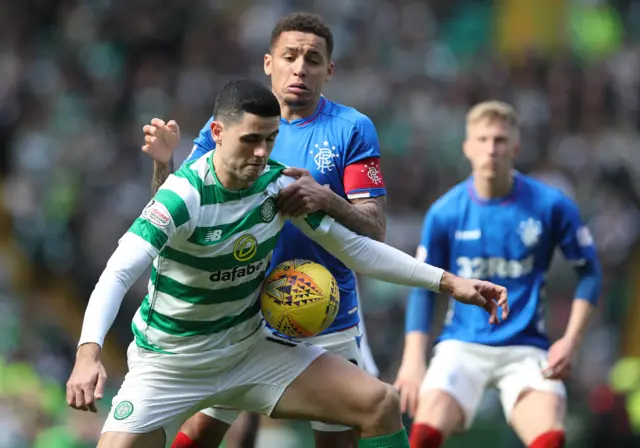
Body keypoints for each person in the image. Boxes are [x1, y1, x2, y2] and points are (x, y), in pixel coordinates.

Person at [65, 78, 508, 448]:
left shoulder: (277, 187)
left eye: (270, 140)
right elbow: (118, 272)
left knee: (380, 403)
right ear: (217, 133)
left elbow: (355, 249)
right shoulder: (182, 195)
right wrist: (89, 354)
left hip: (248, 350)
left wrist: (451, 283)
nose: (262, 153)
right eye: (250, 140)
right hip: (169, 365)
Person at [143, 12, 384, 448]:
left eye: (313, 59)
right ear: (268, 62)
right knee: (200, 434)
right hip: (243, 309)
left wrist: (325, 198)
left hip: (323, 309)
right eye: (290, 56)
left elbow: (375, 226)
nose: (300, 68)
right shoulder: (231, 126)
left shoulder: (353, 128)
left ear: (329, 70)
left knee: (339, 441)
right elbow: (176, 206)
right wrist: (164, 166)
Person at [393, 101, 602, 448]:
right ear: (467, 147)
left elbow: (590, 272)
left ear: (516, 147)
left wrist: (571, 340)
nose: (492, 148)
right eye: (483, 139)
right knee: (424, 434)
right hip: (461, 344)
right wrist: (413, 360)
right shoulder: (444, 212)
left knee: (550, 437)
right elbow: (422, 287)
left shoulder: (551, 205)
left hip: (526, 347)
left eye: (501, 140)